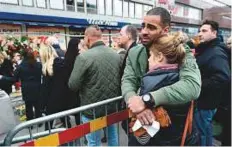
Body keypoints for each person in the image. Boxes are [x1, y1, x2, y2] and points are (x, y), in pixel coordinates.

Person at [121, 7, 201, 145]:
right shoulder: (134, 52)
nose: (144, 32)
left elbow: (192, 86)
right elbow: (128, 80)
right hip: (142, 130)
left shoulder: (180, 52)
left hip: (172, 132)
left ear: (165, 30)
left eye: (151, 27)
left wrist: (148, 100)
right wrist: (135, 103)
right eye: (143, 26)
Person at [68, 25, 121, 146]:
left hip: (92, 109)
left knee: (93, 142)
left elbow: (73, 85)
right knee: (113, 137)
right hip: (111, 106)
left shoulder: (84, 57)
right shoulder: (116, 55)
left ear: (87, 38)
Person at [195, 20, 230, 146]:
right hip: (205, 100)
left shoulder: (216, 52)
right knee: (205, 130)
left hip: (206, 101)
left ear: (214, 33)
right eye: (200, 31)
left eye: (204, 31)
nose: (200, 34)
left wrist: (198, 85)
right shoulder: (208, 49)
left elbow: (222, 77)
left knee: (202, 132)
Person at [1, 49, 42, 121]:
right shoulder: (38, 65)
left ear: (23, 56)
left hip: (26, 89)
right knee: (37, 106)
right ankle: (40, 121)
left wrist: (3, 77)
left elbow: (14, 79)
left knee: (28, 107)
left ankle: (30, 123)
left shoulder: (20, 67)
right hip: (38, 87)